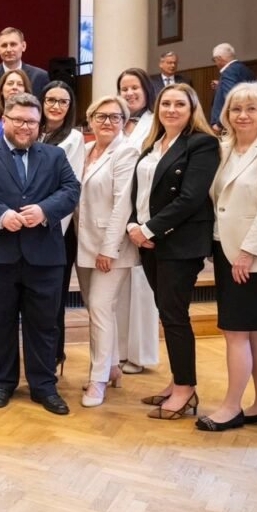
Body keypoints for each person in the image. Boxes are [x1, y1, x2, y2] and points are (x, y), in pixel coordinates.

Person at [0, 93, 79, 415]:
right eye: (19, 120)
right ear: (5, 121)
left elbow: (71, 190)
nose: (25, 127)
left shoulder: (55, 155)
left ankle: (44, 386)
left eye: (32, 122)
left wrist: (44, 210)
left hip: (44, 256)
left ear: (40, 124)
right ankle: (2, 382)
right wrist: (0, 214)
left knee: (44, 325)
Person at [200, 82, 257, 430]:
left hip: (254, 255)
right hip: (225, 249)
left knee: (235, 331)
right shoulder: (223, 147)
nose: (242, 115)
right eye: (236, 108)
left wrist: (248, 252)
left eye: (251, 108)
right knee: (251, 332)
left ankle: (231, 407)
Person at [128, 84, 219, 420]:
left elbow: (191, 198)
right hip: (150, 240)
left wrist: (148, 229)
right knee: (167, 313)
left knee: (175, 315)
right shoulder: (153, 144)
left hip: (179, 243)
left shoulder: (202, 143)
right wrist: (133, 226)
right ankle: (177, 380)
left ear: (192, 108)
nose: (171, 109)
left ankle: (185, 389)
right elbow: (140, 193)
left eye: (180, 104)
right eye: (166, 103)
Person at [76, 95, 138, 407]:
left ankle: (97, 379)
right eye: (101, 116)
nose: (108, 122)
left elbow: (122, 204)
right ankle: (111, 366)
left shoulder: (126, 151)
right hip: (84, 242)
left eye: (116, 117)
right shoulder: (86, 150)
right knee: (97, 308)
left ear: (124, 122)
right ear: (90, 119)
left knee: (100, 308)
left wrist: (109, 249)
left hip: (110, 247)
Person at [115, 67, 161, 374]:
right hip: (115, 211)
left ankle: (140, 354)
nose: (130, 93)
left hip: (142, 212)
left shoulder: (154, 123)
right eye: (125, 88)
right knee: (119, 286)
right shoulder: (116, 121)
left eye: (135, 88)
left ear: (146, 90)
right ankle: (119, 350)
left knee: (141, 285)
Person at [38, 80, 85, 371]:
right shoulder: (32, 130)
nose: (56, 106)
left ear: (70, 107)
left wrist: (51, 223)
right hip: (26, 223)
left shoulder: (74, 138)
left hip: (57, 228)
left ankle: (55, 356)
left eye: (63, 101)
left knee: (54, 297)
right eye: (51, 100)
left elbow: (71, 186)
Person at [0, 28, 49, 97]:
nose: (8, 49)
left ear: (23, 46)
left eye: (13, 44)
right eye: (4, 45)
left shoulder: (40, 77)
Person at [209, 43, 256, 130]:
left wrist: (219, 124)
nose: (215, 63)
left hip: (228, 126)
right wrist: (220, 86)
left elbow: (231, 99)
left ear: (219, 58)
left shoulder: (229, 72)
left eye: (214, 60)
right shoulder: (244, 69)